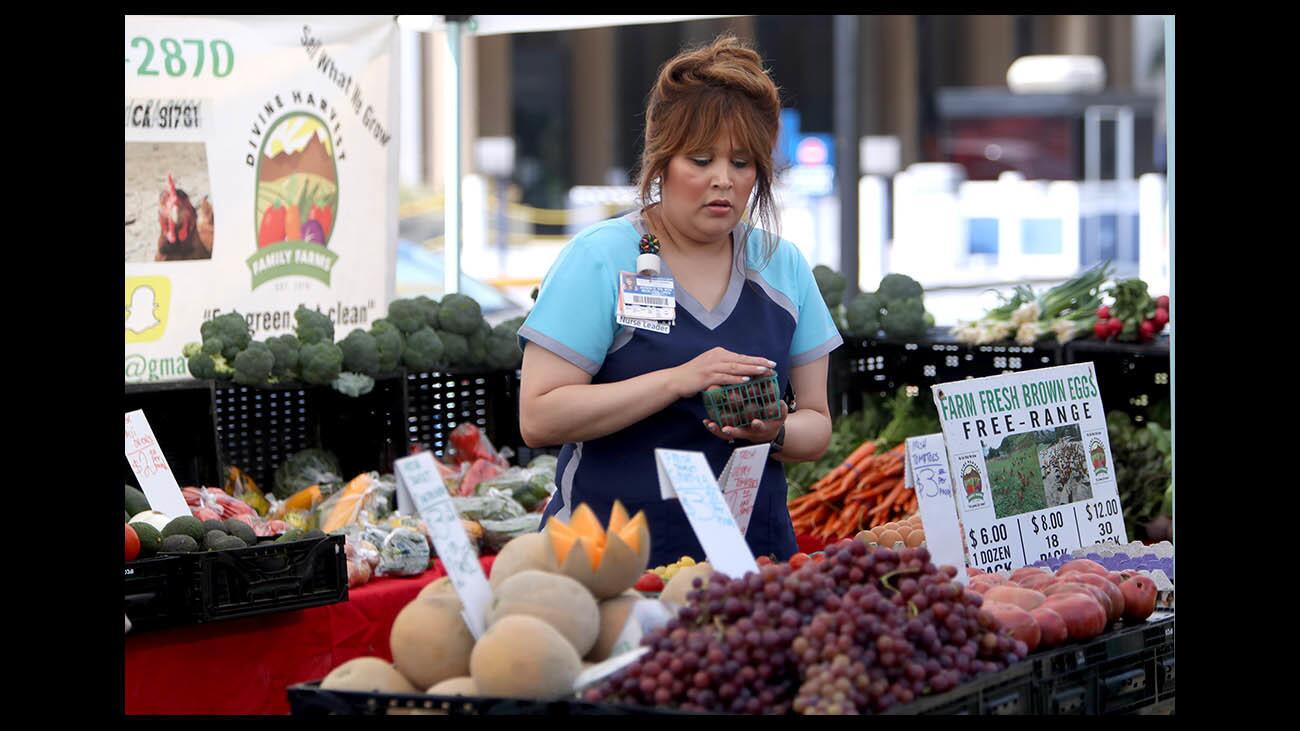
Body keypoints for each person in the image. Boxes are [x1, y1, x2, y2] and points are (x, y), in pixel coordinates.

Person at [517, 35, 841, 566]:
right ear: (661, 161)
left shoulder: (781, 266)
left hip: (752, 563)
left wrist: (772, 430)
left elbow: (817, 424)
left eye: (741, 163)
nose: (723, 180)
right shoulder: (601, 258)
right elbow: (539, 416)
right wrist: (678, 380)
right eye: (700, 159)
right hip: (609, 567)